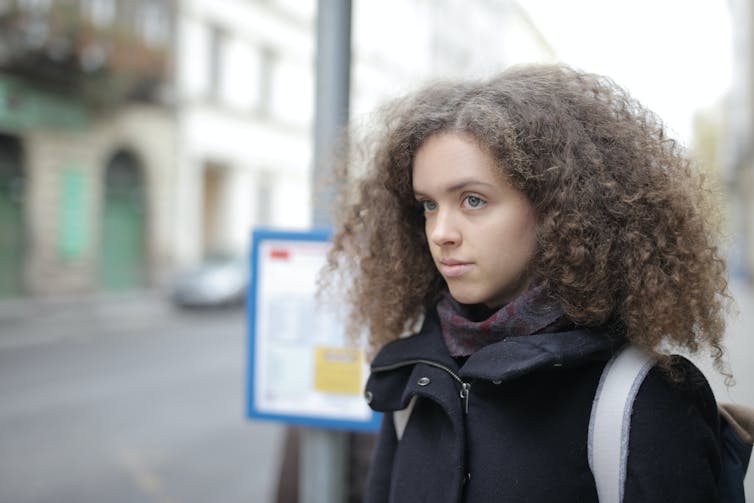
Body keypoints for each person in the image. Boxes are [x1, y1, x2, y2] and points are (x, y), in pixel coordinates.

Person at [322, 64, 734, 502]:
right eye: (428, 204)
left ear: (556, 209)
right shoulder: (415, 382)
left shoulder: (637, 401)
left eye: (473, 200)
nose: (441, 231)